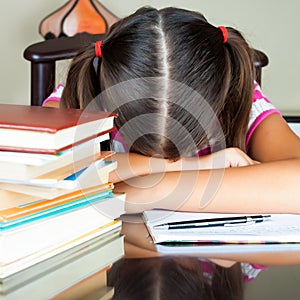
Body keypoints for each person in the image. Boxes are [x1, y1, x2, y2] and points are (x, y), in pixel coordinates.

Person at [43, 6, 300, 214]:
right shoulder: (83, 91)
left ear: (217, 101)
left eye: (192, 137)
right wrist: (190, 167)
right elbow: (49, 173)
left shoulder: (238, 100)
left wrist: (152, 190)